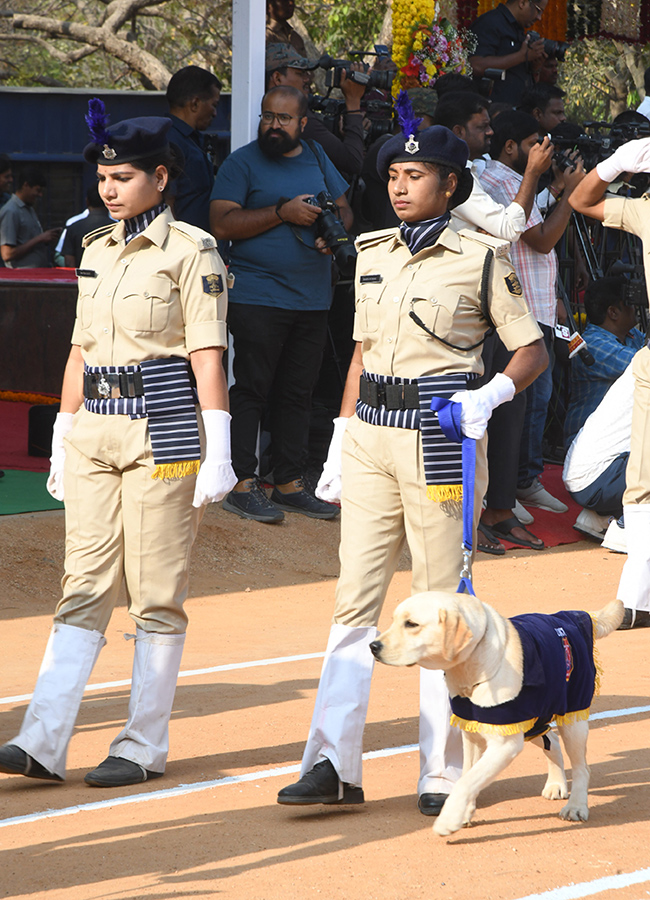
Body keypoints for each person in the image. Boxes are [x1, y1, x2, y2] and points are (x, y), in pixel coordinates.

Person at [276, 121, 547, 816]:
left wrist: (491, 393)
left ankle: (442, 768)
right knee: (353, 599)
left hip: (440, 437)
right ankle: (331, 764)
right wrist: (340, 434)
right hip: (370, 434)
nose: (399, 186)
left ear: (450, 186)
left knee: (440, 605)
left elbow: (531, 351)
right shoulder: (371, 251)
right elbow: (362, 353)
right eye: (393, 175)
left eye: (415, 176)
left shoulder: (483, 258)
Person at [0, 110, 236, 788]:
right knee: (83, 583)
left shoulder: (191, 250)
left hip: (163, 423)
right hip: (96, 422)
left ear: (159, 178)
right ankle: (42, 741)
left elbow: (205, 352)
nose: (109, 188)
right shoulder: (96, 248)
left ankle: (141, 745)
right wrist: (62, 433)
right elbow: (78, 348)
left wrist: (217, 445)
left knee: (157, 592)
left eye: (124, 177)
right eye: (103, 177)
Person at [210, 85, 350, 523]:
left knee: (298, 392)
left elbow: (345, 208)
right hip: (257, 295)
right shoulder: (242, 162)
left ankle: (290, 483)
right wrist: (281, 212)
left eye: (284, 118)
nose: (273, 124)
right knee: (252, 388)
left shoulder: (316, 156)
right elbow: (220, 223)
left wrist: (334, 231)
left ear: (302, 123)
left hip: (312, 298)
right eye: (268, 116)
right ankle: (241, 482)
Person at [435, 92, 553, 551]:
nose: (490, 134)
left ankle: (499, 509)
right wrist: (532, 176)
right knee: (476, 411)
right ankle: (477, 514)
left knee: (509, 408)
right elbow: (509, 229)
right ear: (458, 131)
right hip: (462, 308)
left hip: (490, 301)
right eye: (482, 127)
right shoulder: (453, 178)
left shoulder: (470, 173)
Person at [479, 110, 585, 518]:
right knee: (515, 407)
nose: (544, 151)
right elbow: (541, 241)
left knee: (533, 405)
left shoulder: (514, 179)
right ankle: (506, 491)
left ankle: (523, 481)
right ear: (511, 147)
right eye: (534, 144)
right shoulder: (499, 180)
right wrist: (572, 197)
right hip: (516, 310)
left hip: (535, 304)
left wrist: (558, 189)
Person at [569, 135, 650, 629]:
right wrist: (618, 162)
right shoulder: (645, 208)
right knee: (641, 483)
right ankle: (637, 598)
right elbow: (582, 199)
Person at [564, 275, 644, 447]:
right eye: (629, 303)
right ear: (613, 312)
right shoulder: (592, 344)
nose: (636, 307)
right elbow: (643, 367)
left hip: (615, 437)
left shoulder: (630, 335)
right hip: (589, 443)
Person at [265, 43, 367, 178]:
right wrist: (353, 103)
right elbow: (353, 163)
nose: (307, 78)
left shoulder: (265, 110)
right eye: (300, 73)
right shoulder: (295, 119)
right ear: (278, 78)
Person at [563, 362, 635, 541]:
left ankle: (599, 516)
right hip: (598, 479)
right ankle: (629, 528)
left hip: (590, 477)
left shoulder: (642, 361)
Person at [166, 65, 222, 233]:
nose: (215, 113)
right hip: (183, 249)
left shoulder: (194, 140)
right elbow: (166, 201)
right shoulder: (169, 141)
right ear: (195, 103)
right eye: (214, 104)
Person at [470, 0, 548, 106]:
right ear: (522, 3)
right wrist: (522, 56)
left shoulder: (518, 29)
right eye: (538, 10)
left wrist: (535, 67)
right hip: (494, 112)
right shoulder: (491, 22)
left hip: (518, 111)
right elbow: (476, 65)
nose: (539, 18)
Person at [0, 165, 60, 268]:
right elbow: (7, 254)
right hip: (21, 278)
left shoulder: (28, 208)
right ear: (26, 185)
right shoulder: (11, 211)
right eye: (37, 190)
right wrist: (40, 238)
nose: (40, 195)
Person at [61, 184, 113, 268]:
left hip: (80, 278)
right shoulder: (119, 228)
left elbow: (69, 262)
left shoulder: (73, 227)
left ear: (87, 201)